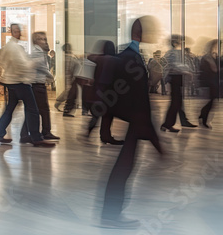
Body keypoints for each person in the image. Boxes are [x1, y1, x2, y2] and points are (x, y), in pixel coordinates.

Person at [99, 16, 164, 229]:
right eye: (151, 29)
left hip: (137, 121)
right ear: (139, 33)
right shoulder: (130, 58)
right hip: (137, 120)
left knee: (125, 166)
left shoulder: (133, 56)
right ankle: (110, 215)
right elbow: (130, 94)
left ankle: (110, 214)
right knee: (123, 167)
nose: (155, 33)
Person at [0, 24, 54, 147]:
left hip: (12, 83)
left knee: (9, 110)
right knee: (33, 110)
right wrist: (34, 64)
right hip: (20, 82)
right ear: (12, 32)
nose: (19, 33)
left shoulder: (8, 47)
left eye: (19, 31)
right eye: (16, 31)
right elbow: (23, 66)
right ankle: (36, 138)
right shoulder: (15, 48)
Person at [20, 32, 59, 141]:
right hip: (37, 86)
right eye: (41, 39)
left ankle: (25, 134)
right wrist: (52, 78)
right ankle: (44, 132)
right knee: (42, 110)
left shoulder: (38, 52)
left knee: (33, 110)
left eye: (45, 39)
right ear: (36, 41)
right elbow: (43, 69)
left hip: (36, 85)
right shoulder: (37, 53)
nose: (45, 41)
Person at [83, 40, 124, 145]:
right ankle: (106, 136)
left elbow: (90, 58)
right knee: (108, 115)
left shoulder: (97, 58)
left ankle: (88, 133)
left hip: (96, 91)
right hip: (109, 91)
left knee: (96, 115)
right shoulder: (115, 60)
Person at [162, 35, 196, 131]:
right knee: (176, 102)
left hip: (177, 78)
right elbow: (174, 65)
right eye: (179, 41)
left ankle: (183, 120)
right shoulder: (172, 53)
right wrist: (186, 71)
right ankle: (167, 124)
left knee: (178, 101)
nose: (181, 42)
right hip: (175, 78)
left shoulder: (175, 52)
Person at [55, 44, 81, 117]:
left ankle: (61, 104)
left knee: (69, 92)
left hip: (68, 76)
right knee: (69, 92)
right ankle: (62, 106)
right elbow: (77, 66)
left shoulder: (65, 57)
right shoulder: (70, 57)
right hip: (70, 77)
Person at [198, 39, 218, 129]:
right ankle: (203, 117)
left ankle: (203, 116)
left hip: (212, 82)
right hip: (209, 82)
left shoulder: (212, 57)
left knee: (212, 101)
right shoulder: (207, 57)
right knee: (211, 101)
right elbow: (214, 69)